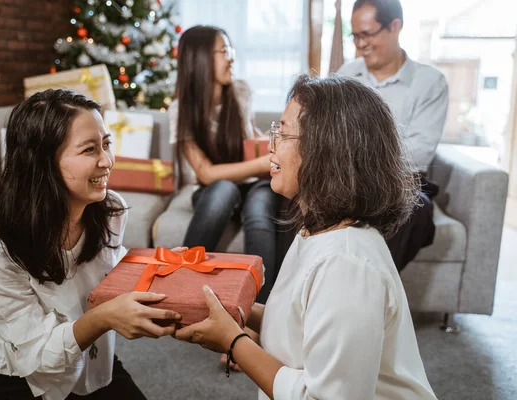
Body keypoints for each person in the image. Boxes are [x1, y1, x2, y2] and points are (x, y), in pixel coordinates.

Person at [175, 75, 438, 400]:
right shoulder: (316, 230)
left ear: (325, 150)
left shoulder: (346, 265)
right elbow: (300, 317)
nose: (270, 145)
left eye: (283, 134)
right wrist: (231, 306)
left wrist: (233, 341)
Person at [0, 89, 181, 400]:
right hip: (20, 378)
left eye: (106, 144)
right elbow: (33, 352)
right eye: (89, 150)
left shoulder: (110, 211)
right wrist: (105, 318)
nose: (107, 161)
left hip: (92, 364)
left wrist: (155, 268)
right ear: (41, 163)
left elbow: (109, 271)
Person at [169, 25, 281, 304]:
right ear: (200, 58)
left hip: (255, 184)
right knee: (223, 190)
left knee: (259, 210)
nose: (231, 57)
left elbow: (249, 137)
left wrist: (273, 140)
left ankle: (261, 308)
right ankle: (182, 280)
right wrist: (261, 163)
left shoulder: (241, 92)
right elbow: (205, 173)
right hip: (216, 189)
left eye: (231, 50)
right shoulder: (180, 109)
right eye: (224, 51)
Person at [337, 0, 449, 270]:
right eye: (355, 35)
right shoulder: (346, 75)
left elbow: (419, 151)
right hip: (345, 182)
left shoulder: (429, 83)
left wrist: (360, 157)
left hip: (400, 185)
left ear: (395, 26)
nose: (360, 44)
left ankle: (369, 294)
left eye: (367, 34)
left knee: (417, 210)